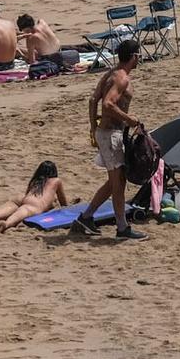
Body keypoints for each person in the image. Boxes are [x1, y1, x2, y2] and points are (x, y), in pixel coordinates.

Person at [71, 40, 149, 242]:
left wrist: (92, 127)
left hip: (105, 133)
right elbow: (107, 103)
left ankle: (86, 218)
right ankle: (122, 227)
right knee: (119, 183)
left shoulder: (110, 74)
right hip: (111, 134)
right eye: (138, 56)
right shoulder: (121, 79)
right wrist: (130, 120)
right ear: (134, 57)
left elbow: (92, 100)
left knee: (115, 180)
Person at [0, 161, 74, 232]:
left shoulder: (35, 181)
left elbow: (28, 194)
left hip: (22, 199)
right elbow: (63, 202)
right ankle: (6, 225)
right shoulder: (56, 181)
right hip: (32, 205)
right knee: (16, 217)